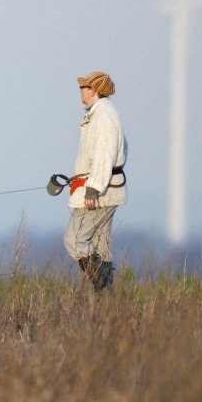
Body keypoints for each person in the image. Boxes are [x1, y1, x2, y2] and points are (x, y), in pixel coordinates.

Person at [64, 71, 127, 291]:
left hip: (99, 192)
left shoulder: (104, 116)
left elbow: (105, 155)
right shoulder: (100, 114)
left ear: (96, 90)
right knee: (100, 245)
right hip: (104, 188)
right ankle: (106, 299)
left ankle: (101, 286)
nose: (81, 91)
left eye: (85, 87)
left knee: (74, 240)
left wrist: (93, 188)